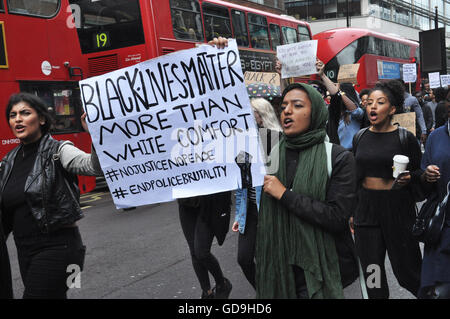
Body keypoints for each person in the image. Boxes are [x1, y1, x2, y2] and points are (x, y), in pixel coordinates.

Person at [255, 82, 358, 299]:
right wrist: (218, 54)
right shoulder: (271, 150)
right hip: (280, 264)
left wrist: (285, 194)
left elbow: (337, 217)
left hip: (315, 268)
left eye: (297, 105)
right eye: (283, 107)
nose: (287, 111)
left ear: (316, 113)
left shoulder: (338, 158)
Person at [0, 92, 103, 299]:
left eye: (25, 113)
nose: (17, 119)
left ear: (42, 119)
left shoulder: (59, 150)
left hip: (59, 247)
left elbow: (94, 167)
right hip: (25, 250)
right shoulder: (7, 162)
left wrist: (97, 135)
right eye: (13, 115)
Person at [352, 80, 423, 299]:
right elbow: (356, 177)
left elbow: (418, 173)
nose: (372, 106)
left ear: (392, 109)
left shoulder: (405, 138)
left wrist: (411, 178)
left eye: (380, 102)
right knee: (373, 274)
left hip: (398, 210)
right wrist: (353, 211)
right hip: (366, 211)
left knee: (408, 272)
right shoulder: (360, 137)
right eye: (370, 102)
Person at [176, 36, 232, 300]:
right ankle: (206, 290)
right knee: (192, 250)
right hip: (186, 198)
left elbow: (225, 92)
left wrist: (216, 55)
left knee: (201, 250)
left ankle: (222, 282)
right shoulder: (174, 120)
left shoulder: (217, 115)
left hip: (210, 198)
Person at [233, 98, 281, 290]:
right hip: (250, 209)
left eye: (250, 111)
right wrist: (238, 214)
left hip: (271, 208)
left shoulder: (276, 139)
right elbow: (240, 183)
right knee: (244, 258)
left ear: (261, 115)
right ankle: (263, 291)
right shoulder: (242, 141)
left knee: (273, 259)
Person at [418, 92, 450, 299]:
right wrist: (426, 176)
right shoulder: (436, 137)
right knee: (439, 291)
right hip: (443, 227)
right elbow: (423, 185)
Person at [316, 59, 364, 150]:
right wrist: (322, 75)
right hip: (337, 153)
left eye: (343, 94)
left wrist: (340, 92)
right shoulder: (333, 113)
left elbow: (355, 110)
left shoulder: (355, 115)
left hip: (353, 153)